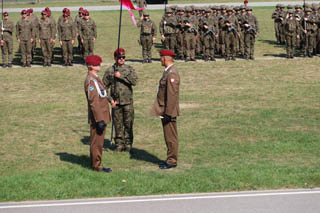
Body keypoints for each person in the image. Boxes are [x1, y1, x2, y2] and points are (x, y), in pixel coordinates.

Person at [102, 48, 137, 152]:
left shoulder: (130, 69)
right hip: (116, 103)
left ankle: (128, 144)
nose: (121, 59)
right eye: (119, 57)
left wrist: (121, 76)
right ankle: (119, 144)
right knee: (117, 124)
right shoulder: (110, 71)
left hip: (127, 102)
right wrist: (110, 100)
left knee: (128, 123)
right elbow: (103, 87)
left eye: (123, 57)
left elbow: (134, 81)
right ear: (115, 58)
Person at [151, 50, 180, 170]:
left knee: (171, 137)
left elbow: (172, 95)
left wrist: (168, 113)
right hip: (165, 110)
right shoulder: (167, 72)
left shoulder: (172, 74)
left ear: (165, 59)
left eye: (161, 57)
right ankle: (170, 158)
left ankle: (172, 161)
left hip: (169, 111)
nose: (160, 60)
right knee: (168, 136)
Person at [84, 55, 112, 173]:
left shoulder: (95, 78)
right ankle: (97, 166)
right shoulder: (91, 81)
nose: (99, 65)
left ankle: (96, 162)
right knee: (97, 143)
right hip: (98, 118)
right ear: (91, 66)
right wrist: (99, 119)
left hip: (102, 115)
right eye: (97, 64)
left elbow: (102, 94)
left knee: (99, 142)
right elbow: (94, 102)